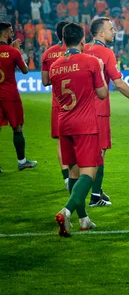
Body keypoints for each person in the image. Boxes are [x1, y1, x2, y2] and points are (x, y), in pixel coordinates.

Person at [53, 23, 109, 237]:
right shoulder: (92, 61)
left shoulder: (56, 65)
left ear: (64, 40)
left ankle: (83, 219)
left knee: (74, 172)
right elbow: (102, 93)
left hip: (64, 123)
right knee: (90, 172)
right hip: (85, 124)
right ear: (83, 40)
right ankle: (66, 210)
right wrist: (101, 72)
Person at [84, 17, 129, 207]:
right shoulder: (106, 53)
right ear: (101, 33)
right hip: (99, 110)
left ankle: (96, 188)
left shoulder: (83, 49)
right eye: (111, 28)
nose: (114, 31)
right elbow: (118, 83)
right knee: (99, 152)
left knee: (85, 151)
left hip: (80, 109)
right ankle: (95, 197)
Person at [0, 22, 38, 171]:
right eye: (10, 32)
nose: (12, 34)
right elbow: (25, 70)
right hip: (10, 95)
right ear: (4, 34)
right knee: (17, 128)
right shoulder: (13, 52)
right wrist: (16, 50)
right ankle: (22, 162)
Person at [41, 20, 69, 188]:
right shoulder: (78, 51)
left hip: (57, 103)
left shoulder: (48, 53)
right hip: (77, 103)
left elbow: (45, 81)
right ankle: (77, 175)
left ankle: (66, 178)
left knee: (60, 142)